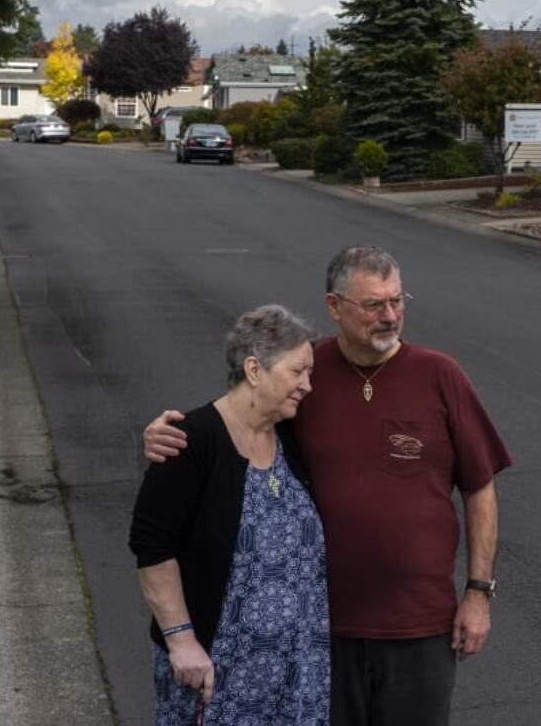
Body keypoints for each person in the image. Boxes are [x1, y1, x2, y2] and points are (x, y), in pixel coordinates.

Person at [144, 246, 511, 726]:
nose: (390, 316)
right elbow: (241, 413)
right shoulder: (306, 374)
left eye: (397, 301)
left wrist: (479, 593)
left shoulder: (441, 375)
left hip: (420, 625)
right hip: (319, 629)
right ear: (335, 307)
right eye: (374, 305)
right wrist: (176, 433)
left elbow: (480, 488)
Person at [130, 305, 328, 725]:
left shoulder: (290, 437)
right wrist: (180, 639)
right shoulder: (191, 440)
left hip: (294, 672)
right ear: (255, 369)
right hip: (215, 671)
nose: (308, 386)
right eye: (298, 372)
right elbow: (152, 546)